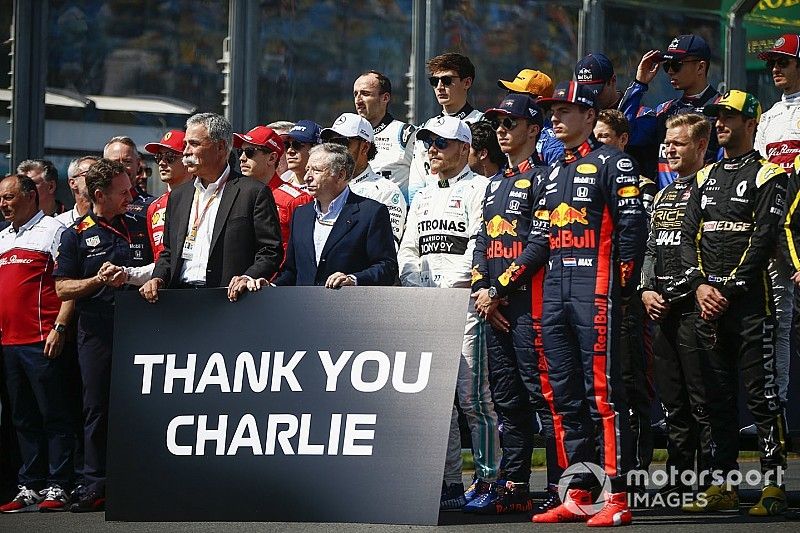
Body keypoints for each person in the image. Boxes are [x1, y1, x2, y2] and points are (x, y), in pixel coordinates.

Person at [532, 81, 647, 527]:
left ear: (588, 114)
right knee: (564, 396)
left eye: (564, 110)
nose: (555, 118)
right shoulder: (554, 169)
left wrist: (622, 284)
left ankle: (617, 496)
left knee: (602, 395)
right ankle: (578, 492)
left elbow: (633, 224)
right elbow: (540, 236)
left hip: (595, 288)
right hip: (556, 290)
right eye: (551, 111)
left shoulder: (613, 160)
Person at [679, 90, 788, 516]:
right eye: (718, 115)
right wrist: (701, 286)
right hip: (708, 304)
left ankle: (774, 484)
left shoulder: (770, 175)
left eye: (730, 116)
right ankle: (721, 483)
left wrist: (726, 289)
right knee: (715, 398)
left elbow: (763, 239)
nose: (720, 122)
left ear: (751, 122)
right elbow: (688, 237)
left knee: (761, 397)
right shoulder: (704, 177)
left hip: (749, 306)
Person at [397, 116, 500, 512]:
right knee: (435, 403)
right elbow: (408, 247)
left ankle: (489, 478)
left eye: (441, 143)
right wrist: (414, 285)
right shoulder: (421, 196)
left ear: (464, 148)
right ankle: (450, 482)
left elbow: (480, 243)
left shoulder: (482, 188)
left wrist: (453, 285)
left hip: (463, 304)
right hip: (426, 303)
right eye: (428, 143)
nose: (433, 150)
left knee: (473, 398)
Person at [471, 93, 563, 516]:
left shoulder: (547, 178)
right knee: (506, 401)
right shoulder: (494, 182)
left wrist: (500, 290)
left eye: (511, 123)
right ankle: (515, 482)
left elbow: (540, 243)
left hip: (532, 306)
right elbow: (482, 244)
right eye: (499, 124)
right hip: (495, 308)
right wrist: (482, 290)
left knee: (543, 398)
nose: (503, 130)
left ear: (533, 129)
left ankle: (564, 484)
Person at [53, 158, 153, 512]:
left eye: (131, 189)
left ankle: (142, 478)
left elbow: (164, 265)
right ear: (99, 194)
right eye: (123, 192)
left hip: (143, 326)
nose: (131, 195)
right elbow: (63, 288)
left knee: (143, 405)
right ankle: (94, 483)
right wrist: (96, 281)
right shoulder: (75, 234)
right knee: (96, 407)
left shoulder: (141, 225)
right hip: (96, 328)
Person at [639, 113, 713, 494]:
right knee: (672, 402)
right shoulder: (666, 192)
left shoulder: (712, 186)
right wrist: (646, 290)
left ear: (701, 146)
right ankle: (681, 479)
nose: (669, 149)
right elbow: (651, 246)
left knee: (703, 400)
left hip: (696, 309)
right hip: (662, 307)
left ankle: (713, 480)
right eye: (667, 143)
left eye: (678, 143)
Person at [138, 112, 283, 303]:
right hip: (179, 300)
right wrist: (158, 278)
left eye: (194, 144)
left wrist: (248, 277)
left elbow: (270, 250)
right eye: (185, 145)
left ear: (221, 147)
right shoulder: (178, 196)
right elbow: (169, 252)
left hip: (228, 301)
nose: (187, 152)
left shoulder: (253, 192)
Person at [0, 174, 75, 512]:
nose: (3, 204)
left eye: (9, 197)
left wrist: (60, 327)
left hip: (41, 339)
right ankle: (29, 484)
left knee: (54, 416)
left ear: (30, 196)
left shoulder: (54, 230)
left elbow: (67, 285)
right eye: (1, 198)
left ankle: (58, 485)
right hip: (8, 343)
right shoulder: (2, 238)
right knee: (22, 417)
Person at [594, 109, 657, 474]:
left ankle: (636, 469)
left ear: (622, 140)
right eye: (596, 137)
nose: (598, 145)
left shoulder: (643, 187)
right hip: (594, 295)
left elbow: (641, 242)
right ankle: (607, 467)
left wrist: (626, 286)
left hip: (628, 298)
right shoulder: (586, 186)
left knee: (631, 384)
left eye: (605, 138)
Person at [272, 143, 397, 287]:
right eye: (307, 170)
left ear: (340, 175)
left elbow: (387, 267)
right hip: (304, 307)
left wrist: (353, 279)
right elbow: (292, 271)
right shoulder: (301, 214)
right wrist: (269, 288)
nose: (307, 177)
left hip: (346, 305)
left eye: (316, 170)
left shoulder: (370, 213)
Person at [755, 34, 800, 405]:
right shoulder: (768, 117)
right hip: (775, 231)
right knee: (779, 322)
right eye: (772, 63)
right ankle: (778, 407)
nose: (774, 69)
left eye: (783, 62)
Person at [621, 34, 720, 187]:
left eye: (676, 64)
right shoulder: (664, 110)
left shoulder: (720, 108)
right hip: (664, 203)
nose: (670, 71)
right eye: (667, 65)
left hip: (701, 201)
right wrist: (639, 83)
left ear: (700, 67)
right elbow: (623, 133)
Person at [320, 113, 407, 246]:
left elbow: (387, 248)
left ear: (365, 147)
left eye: (342, 143)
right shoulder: (321, 187)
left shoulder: (386, 192)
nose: (335, 151)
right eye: (330, 143)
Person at [408, 53, 483, 204]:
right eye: (434, 81)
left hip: (469, 202)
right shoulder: (426, 128)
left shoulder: (483, 122)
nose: (440, 87)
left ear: (467, 82)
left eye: (447, 80)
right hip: (430, 208)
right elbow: (417, 182)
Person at [234, 125, 311, 258]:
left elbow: (304, 252)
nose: (242, 158)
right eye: (240, 152)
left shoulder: (296, 200)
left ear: (272, 158)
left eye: (250, 152)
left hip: (276, 276)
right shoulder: (235, 194)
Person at [353, 70, 416, 199]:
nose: (358, 100)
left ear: (385, 98)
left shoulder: (406, 133)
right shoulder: (347, 135)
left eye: (365, 94)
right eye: (355, 94)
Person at [142, 130, 192, 261]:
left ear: (187, 158)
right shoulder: (154, 207)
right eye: (158, 157)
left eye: (170, 157)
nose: (162, 163)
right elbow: (157, 259)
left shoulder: (201, 200)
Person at [496, 68, 564, 164]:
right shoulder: (501, 132)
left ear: (538, 101)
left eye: (517, 94)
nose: (511, 98)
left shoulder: (554, 143)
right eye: (509, 93)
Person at [103, 136, 154, 215]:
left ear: (137, 164)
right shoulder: (96, 203)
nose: (121, 167)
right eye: (115, 162)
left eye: (127, 161)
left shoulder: (152, 206)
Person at [56, 156, 97, 227]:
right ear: (73, 183)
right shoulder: (59, 224)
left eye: (100, 175)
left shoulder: (114, 221)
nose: (97, 178)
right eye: (90, 173)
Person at [280, 120, 321, 190]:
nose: (289, 151)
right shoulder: (284, 179)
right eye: (287, 145)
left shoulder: (324, 186)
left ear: (316, 149)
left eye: (297, 144)